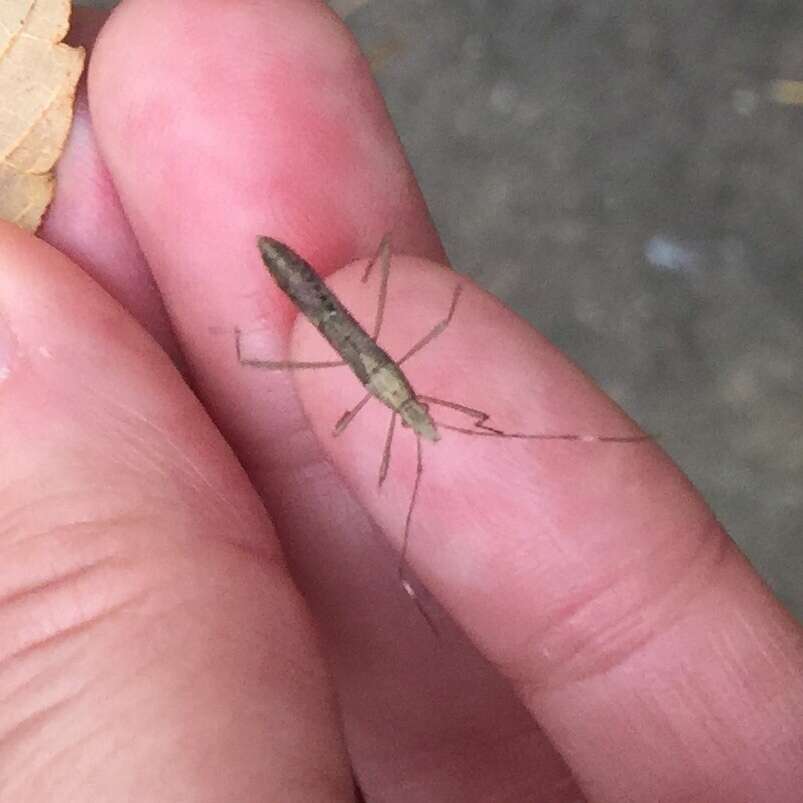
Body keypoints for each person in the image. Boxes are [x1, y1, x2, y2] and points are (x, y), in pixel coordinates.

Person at [1, 2, 800, 800]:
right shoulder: (389, 397)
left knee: (346, 387)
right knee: (332, 356)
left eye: (418, 420)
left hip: (339, 327)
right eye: (419, 419)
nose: (423, 427)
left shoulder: (394, 407)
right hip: (331, 315)